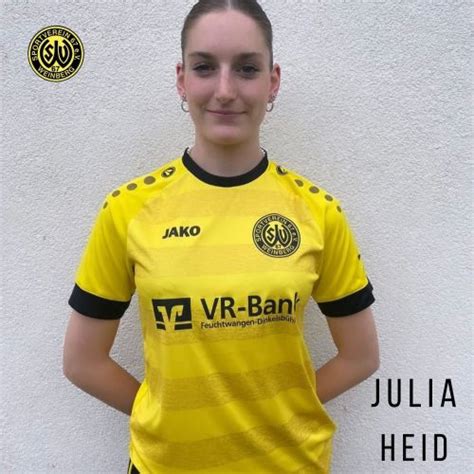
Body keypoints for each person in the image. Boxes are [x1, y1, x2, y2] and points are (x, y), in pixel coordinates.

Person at [63, 1, 379, 472]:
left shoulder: (317, 212)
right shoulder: (127, 210)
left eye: (247, 69)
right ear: (182, 80)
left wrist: (276, 412)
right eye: (205, 67)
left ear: (272, 81)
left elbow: (361, 356)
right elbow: (82, 362)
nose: (225, 90)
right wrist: (166, 414)